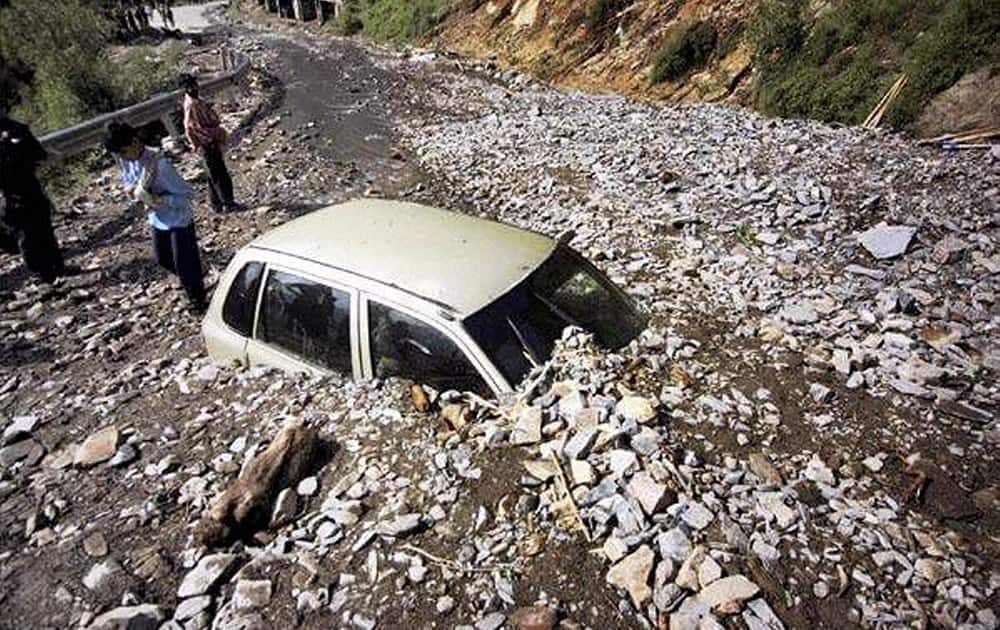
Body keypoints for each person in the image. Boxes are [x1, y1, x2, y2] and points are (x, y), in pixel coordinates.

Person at [103, 121, 207, 312]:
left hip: (178, 220)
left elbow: (187, 195)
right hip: (157, 220)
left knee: (184, 265)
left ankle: (198, 300)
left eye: (124, 152)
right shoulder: (130, 162)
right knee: (164, 260)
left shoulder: (160, 165)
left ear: (135, 142)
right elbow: (130, 183)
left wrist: (159, 200)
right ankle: (196, 278)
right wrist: (133, 192)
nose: (123, 158)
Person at [0, 105, 72, 284]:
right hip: (18, 192)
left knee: (37, 232)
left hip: (21, 191)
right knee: (30, 234)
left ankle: (52, 272)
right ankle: (47, 274)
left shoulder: (16, 129)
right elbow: (39, 155)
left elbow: (38, 154)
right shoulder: (16, 129)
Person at [180, 74, 239, 213]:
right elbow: (192, 128)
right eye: (190, 86)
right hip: (208, 144)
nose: (193, 88)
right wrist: (217, 134)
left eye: (194, 84)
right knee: (220, 175)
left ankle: (217, 205)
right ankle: (228, 203)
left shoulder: (194, 101)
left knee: (213, 176)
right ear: (185, 89)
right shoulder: (192, 104)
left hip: (206, 144)